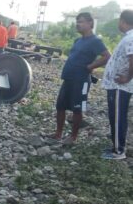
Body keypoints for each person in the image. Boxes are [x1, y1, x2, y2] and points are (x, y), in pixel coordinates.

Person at [47, 12, 110, 145]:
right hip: (68, 78)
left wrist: (91, 66)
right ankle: (58, 133)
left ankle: (73, 136)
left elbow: (107, 56)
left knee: (77, 108)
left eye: (81, 21)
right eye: (77, 21)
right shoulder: (78, 40)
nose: (78, 24)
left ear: (90, 24)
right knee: (60, 106)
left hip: (81, 80)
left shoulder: (95, 41)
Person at [101, 10, 133, 159]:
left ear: (123, 21)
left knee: (118, 117)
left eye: (119, 20)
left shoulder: (131, 38)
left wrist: (127, 77)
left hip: (121, 86)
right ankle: (116, 146)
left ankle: (118, 151)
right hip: (117, 85)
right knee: (116, 116)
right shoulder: (128, 37)